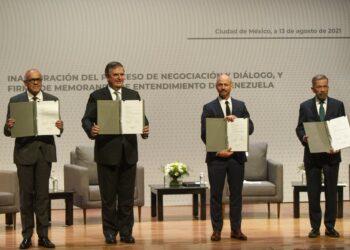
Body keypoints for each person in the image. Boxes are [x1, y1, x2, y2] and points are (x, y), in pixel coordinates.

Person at [81, 61, 149, 245]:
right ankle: (110, 232)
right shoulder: (97, 96)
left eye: (122, 74)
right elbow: (86, 119)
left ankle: (126, 232)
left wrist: (145, 129)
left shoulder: (133, 95)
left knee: (127, 197)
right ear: (108, 77)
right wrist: (91, 130)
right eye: (116, 75)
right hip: (106, 154)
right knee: (109, 198)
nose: (120, 78)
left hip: (129, 154)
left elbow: (142, 118)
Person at [4, 69, 64, 249]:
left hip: (44, 153)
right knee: (26, 196)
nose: (36, 83)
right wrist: (9, 126)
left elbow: (57, 130)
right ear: (25, 83)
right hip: (24, 153)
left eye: (39, 79)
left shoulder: (52, 99)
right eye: (32, 80)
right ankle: (27, 236)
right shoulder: (16, 101)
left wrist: (60, 126)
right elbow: (7, 131)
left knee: (43, 196)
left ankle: (43, 236)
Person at [201, 74, 254, 241]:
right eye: (220, 85)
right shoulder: (209, 107)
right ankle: (216, 230)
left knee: (236, 195)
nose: (223, 87)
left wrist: (239, 121)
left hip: (236, 158)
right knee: (216, 195)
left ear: (232, 86)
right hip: (217, 158)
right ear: (216, 86)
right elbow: (204, 134)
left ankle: (236, 230)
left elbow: (250, 128)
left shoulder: (240, 105)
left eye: (226, 84)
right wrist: (217, 151)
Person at [296, 74, 345, 238]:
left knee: (331, 193)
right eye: (319, 87)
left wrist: (338, 145)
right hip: (312, 157)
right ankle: (315, 227)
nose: (322, 90)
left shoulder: (338, 105)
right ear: (313, 88)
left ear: (328, 87)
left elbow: (342, 128)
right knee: (313, 193)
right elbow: (299, 128)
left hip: (332, 156)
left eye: (325, 86)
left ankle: (330, 226)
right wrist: (304, 137)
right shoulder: (305, 106)